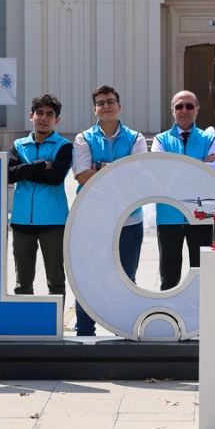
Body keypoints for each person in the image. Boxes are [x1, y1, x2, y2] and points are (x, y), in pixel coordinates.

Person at [72, 86, 148, 334]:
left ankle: (123, 328)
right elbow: (82, 176)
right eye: (101, 103)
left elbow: (137, 175)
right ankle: (84, 330)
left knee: (126, 278)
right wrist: (120, 169)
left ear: (119, 106)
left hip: (129, 220)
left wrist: (100, 166)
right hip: (91, 220)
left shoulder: (136, 138)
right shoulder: (83, 138)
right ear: (95, 109)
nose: (106, 106)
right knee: (88, 277)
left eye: (111, 101)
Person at [152, 89, 215, 290]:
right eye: (179, 106)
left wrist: (176, 167)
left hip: (200, 215)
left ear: (197, 109)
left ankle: (200, 311)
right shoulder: (160, 140)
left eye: (189, 106)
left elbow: (214, 171)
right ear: (172, 110)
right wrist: (200, 163)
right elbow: (159, 171)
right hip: (169, 216)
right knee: (169, 277)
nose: (184, 110)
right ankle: (169, 310)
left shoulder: (209, 139)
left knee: (202, 274)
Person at [7, 93, 74, 299]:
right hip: (21, 220)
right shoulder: (19, 145)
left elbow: (55, 178)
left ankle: (56, 321)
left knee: (56, 282)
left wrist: (24, 170)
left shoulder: (63, 146)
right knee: (22, 283)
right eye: (39, 113)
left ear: (57, 119)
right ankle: (25, 320)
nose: (44, 118)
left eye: (49, 114)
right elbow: (9, 174)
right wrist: (41, 165)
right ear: (31, 116)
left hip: (53, 221)